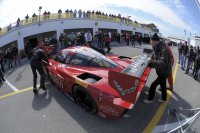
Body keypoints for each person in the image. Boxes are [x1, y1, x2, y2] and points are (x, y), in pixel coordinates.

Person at [143, 33, 172, 103]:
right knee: (163, 85)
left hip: (164, 72)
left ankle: (150, 99)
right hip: (162, 71)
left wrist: (151, 61)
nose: (150, 43)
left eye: (152, 41)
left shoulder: (163, 49)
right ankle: (164, 99)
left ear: (156, 41)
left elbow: (162, 63)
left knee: (153, 85)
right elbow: (152, 56)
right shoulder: (156, 47)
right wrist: (147, 60)